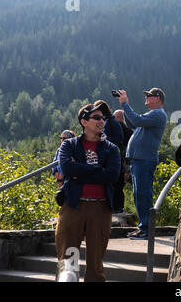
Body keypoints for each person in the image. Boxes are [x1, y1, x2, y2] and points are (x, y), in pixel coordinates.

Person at [56, 102, 121, 282]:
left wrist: (81, 171)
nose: (102, 121)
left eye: (104, 118)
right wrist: (98, 170)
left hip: (101, 210)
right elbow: (67, 169)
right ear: (84, 122)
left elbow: (112, 175)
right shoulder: (69, 145)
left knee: (95, 266)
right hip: (73, 206)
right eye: (97, 117)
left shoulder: (111, 148)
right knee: (68, 261)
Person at [115, 88, 167, 240]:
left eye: (149, 96)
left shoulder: (157, 113)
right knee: (139, 195)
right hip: (140, 159)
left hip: (144, 159)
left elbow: (136, 120)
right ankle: (143, 227)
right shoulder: (153, 114)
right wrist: (125, 108)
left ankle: (147, 229)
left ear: (157, 98)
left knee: (144, 194)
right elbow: (133, 123)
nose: (146, 98)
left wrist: (125, 104)